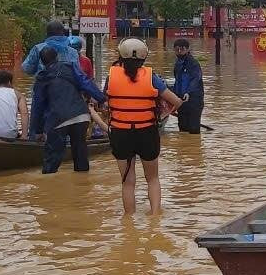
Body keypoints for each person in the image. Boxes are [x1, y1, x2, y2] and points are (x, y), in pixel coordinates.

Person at [104, 38, 183, 216]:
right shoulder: (152, 77)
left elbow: (104, 103)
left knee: (127, 182)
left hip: (120, 133)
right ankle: (155, 218)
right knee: (152, 178)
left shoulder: (111, 77)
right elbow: (176, 101)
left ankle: (129, 221)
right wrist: (164, 114)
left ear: (121, 56)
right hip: (147, 132)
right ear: (144, 57)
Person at [29, 46, 107, 173]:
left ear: (42, 62)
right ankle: (83, 187)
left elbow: (38, 107)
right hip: (81, 116)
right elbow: (86, 83)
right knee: (81, 154)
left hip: (57, 120)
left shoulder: (41, 78)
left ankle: (45, 188)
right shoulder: (70, 67)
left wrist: (37, 131)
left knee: (52, 159)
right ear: (57, 57)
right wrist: (101, 99)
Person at [170, 38, 205, 134]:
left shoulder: (193, 64)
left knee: (193, 130)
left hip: (194, 100)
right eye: (177, 50)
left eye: (182, 49)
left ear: (188, 49)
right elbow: (177, 81)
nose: (179, 52)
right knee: (183, 129)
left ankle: (193, 148)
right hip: (181, 100)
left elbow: (196, 79)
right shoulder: (177, 64)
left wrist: (188, 92)